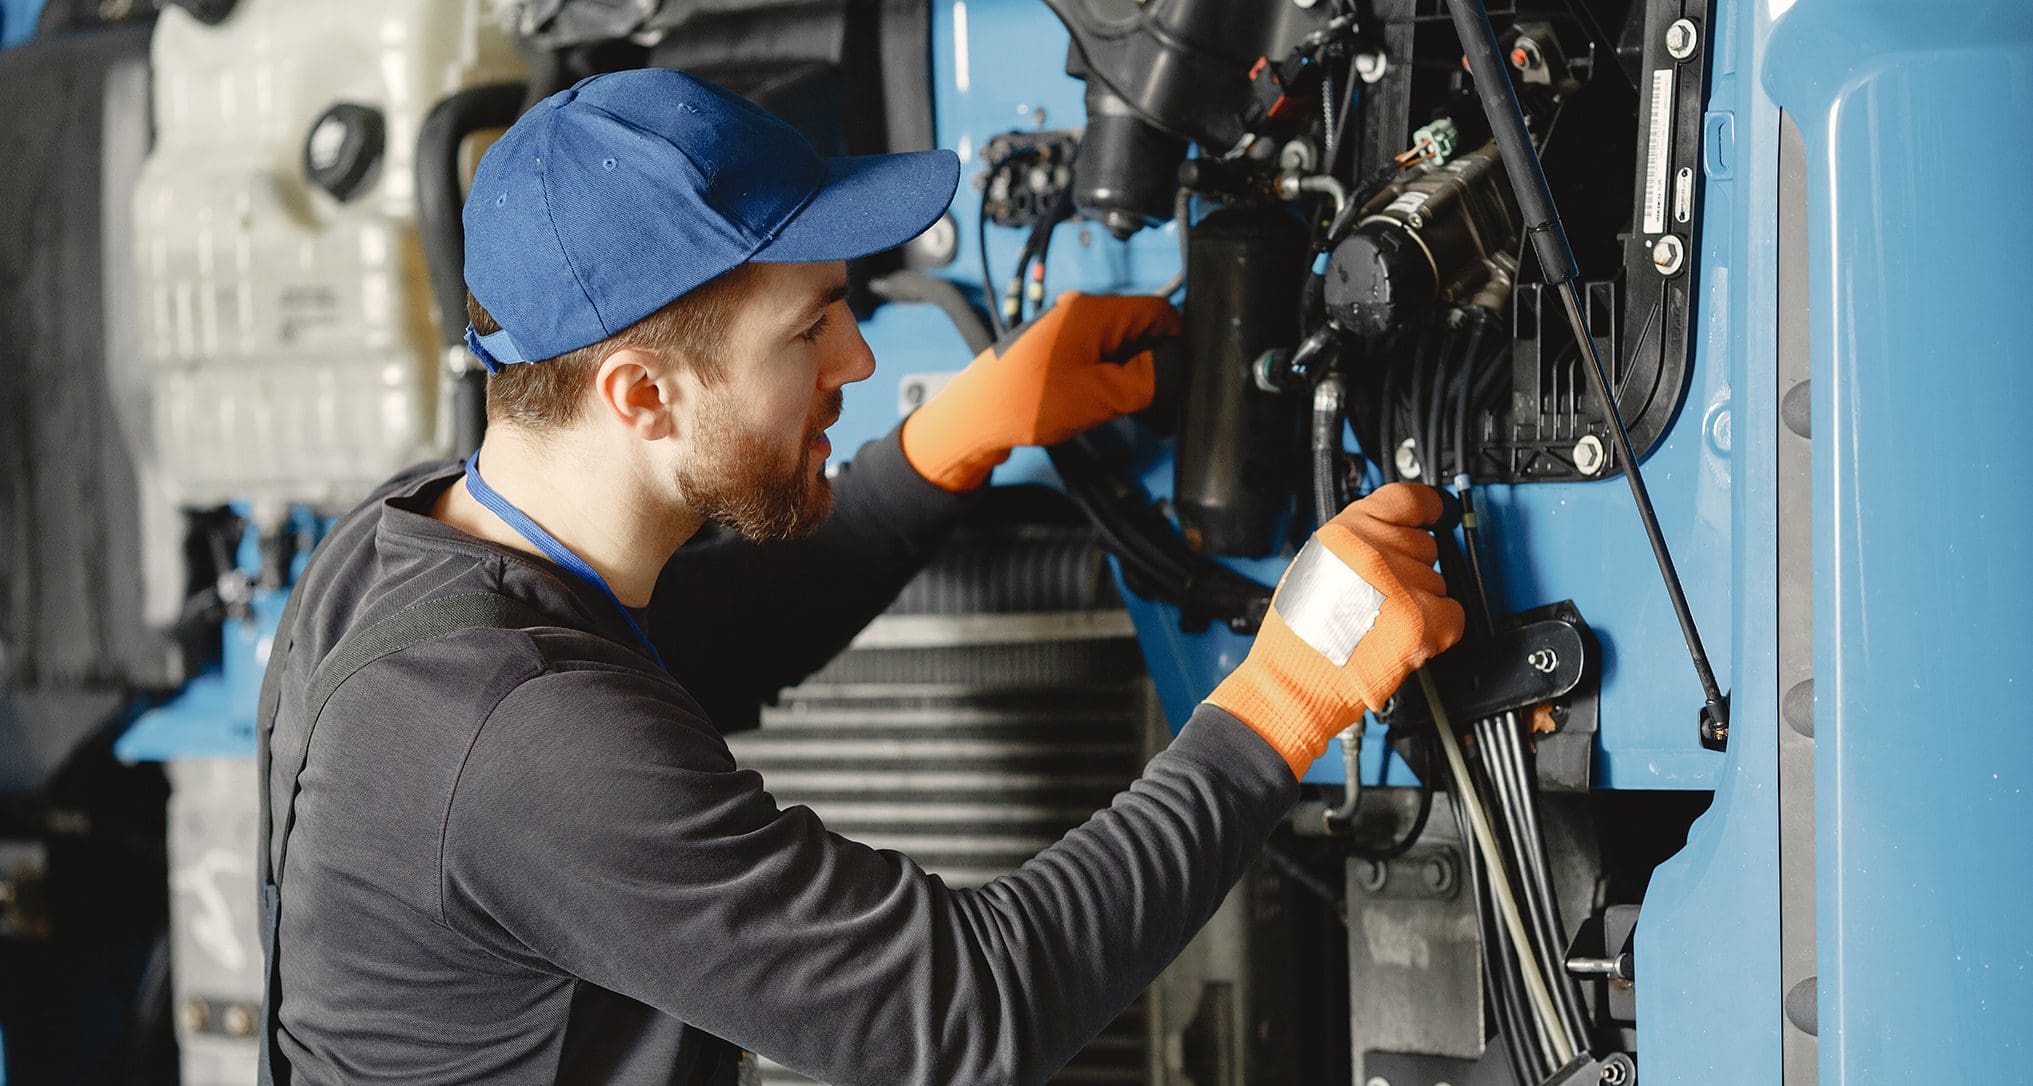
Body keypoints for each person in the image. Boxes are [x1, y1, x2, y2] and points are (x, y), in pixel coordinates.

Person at [258, 68, 1464, 1085]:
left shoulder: (413, 542)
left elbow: (700, 641)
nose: (860, 352)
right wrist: (1282, 701)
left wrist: (950, 442)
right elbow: (971, 1008)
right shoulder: (516, 740)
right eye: (808, 329)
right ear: (639, 394)